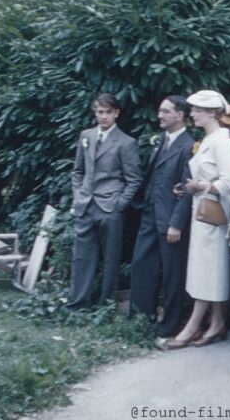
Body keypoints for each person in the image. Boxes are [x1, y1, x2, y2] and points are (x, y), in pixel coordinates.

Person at [166, 90, 230, 349]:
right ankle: (217, 323)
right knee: (209, 269)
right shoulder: (210, 139)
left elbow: (229, 181)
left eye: (196, 110)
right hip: (202, 212)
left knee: (209, 270)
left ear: (210, 113)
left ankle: (193, 325)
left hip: (214, 213)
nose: (192, 114)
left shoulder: (221, 141)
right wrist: (188, 187)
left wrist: (200, 185)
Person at [130, 96, 195, 345]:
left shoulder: (189, 146)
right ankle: (142, 321)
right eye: (159, 110)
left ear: (180, 115)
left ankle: (169, 327)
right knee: (142, 266)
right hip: (150, 213)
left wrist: (176, 223)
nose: (160, 115)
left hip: (170, 219)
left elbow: (187, 189)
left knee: (172, 274)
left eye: (165, 111)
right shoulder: (163, 142)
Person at [69, 93, 143, 307]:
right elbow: (77, 171)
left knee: (111, 259)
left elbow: (134, 179)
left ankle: (106, 304)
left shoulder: (126, 143)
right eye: (100, 112)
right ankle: (78, 302)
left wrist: (119, 204)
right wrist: (78, 195)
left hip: (110, 207)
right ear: (95, 112)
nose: (103, 117)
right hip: (85, 205)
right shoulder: (86, 136)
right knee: (81, 257)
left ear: (116, 113)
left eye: (108, 112)